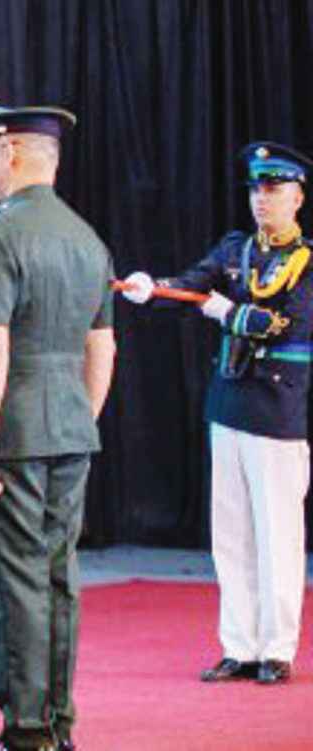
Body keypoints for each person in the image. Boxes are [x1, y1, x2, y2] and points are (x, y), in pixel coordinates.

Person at [0, 101, 117, 751]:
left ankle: (25, 729)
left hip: (14, 431)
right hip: (71, 428)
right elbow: (102, 349)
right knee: (58, 576)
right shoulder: (88, 238)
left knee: (15, 577)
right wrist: (79, 416)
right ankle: (57, 721)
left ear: (13, 152)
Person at [121, 142, 313, 687]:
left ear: (297, 197)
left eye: (274, 189)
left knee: (277, 534)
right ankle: (239, 645)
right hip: (228, 406)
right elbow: (191, 283)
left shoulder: (307, 264)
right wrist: (150, 288)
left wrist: (226, 311)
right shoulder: (236, 250)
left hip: (278, 413)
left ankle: (276, 650)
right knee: (230, 534)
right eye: (256, 189)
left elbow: (286, 326)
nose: (262, 199)